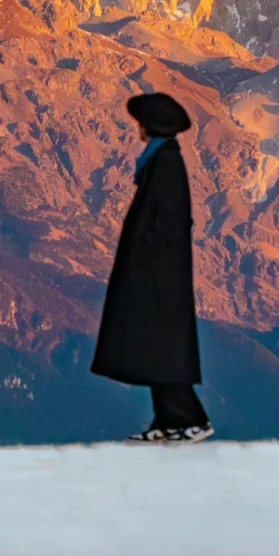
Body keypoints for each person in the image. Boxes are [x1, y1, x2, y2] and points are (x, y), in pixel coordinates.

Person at [91, 91, 213, 444]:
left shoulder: (165, 162)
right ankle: (167, 420)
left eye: (142, 122)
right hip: (156, 271)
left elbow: (168, 222)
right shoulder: (160, 158)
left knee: (163, 349)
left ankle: (190, 420)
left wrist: (148, 261)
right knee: (155, 348)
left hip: (158, 274)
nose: (139, 128)